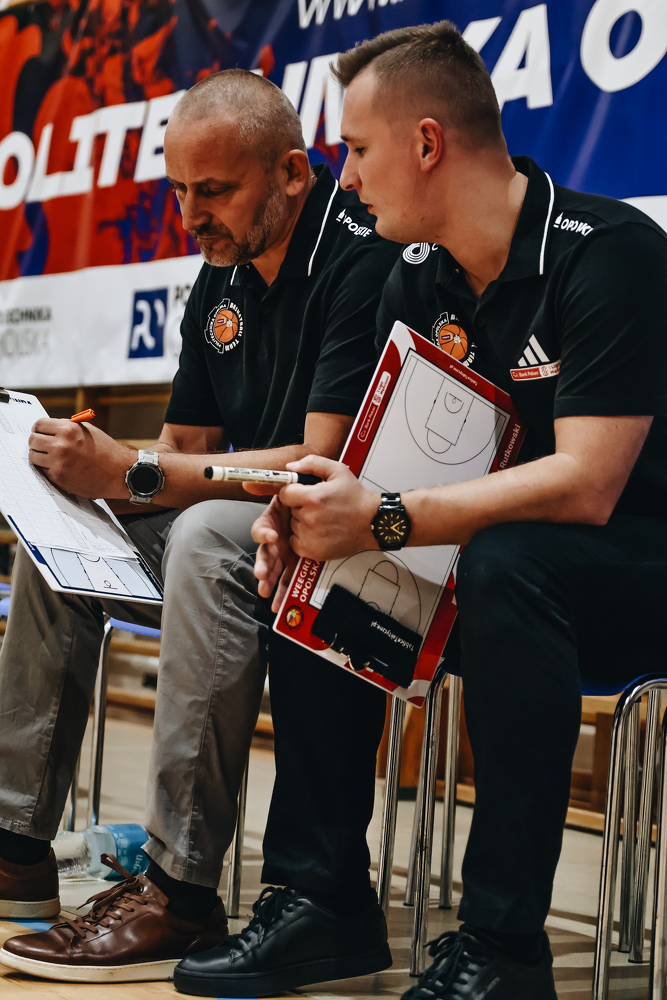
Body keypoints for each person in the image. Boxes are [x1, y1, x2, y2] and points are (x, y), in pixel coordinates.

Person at [248, 22, 667, 1000]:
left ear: (428, 142)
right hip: (503, 578)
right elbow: (377, 462)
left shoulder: (610, 252)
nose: (348, 179)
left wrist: (384, 516)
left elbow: (587, 484)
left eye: (358, 149)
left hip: (634, 569)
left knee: (507, 562)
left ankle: (503, 947)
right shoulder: (415, 273)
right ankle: (322, 901)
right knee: (319, 549)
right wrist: (307, 506)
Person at [0, 69, 399, 984]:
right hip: (239, 543)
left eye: (213, 190)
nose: (190, 215)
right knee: (58, 537)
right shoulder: (221, 271)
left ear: (291, 173)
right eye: (178, 189)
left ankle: (176, 892)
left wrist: (135, 470)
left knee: (205, 531)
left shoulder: (363, 257)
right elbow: (185, 447)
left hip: (338, 545)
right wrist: (76, 469)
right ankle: (15, 847)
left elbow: (319, 461)